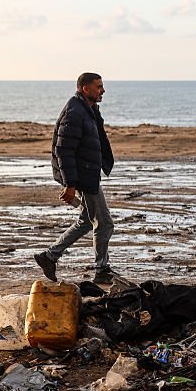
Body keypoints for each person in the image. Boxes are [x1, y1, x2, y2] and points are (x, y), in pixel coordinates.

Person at [34, 72, 117, 285]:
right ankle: (101, 269)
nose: (103, 90)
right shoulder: (75, 112)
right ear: (85, 88)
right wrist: (70, 184)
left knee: (88, 221)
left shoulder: (88, 110)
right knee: (103, 223)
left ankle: (50, 256)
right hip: (82, 176)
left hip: (87, 173)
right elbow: (63, 149)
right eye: (99, 86)